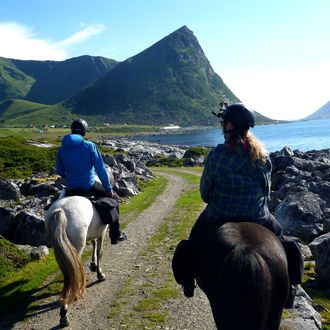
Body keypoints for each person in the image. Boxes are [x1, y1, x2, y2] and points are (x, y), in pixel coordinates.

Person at [174, 103, 303, 307]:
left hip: (218, 216)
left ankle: (188, 281)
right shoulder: (262, 156)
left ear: (228, 126)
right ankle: (292, 287)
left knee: (192, 242)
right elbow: (266, 192)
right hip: (258, 217)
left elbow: (205, 194)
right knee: (284, 242)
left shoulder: (217, 155)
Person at [56, 118, 127, 244]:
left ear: (71, 131)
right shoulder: (89, 146)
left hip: (71, 188)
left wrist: (71, 177)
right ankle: (115, 235)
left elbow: (60, 171)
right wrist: (108, 189)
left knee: (55, 204)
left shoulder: (62, 149)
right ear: (84, 132)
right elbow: (100, 170)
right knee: (115, 199)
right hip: (88, 186)